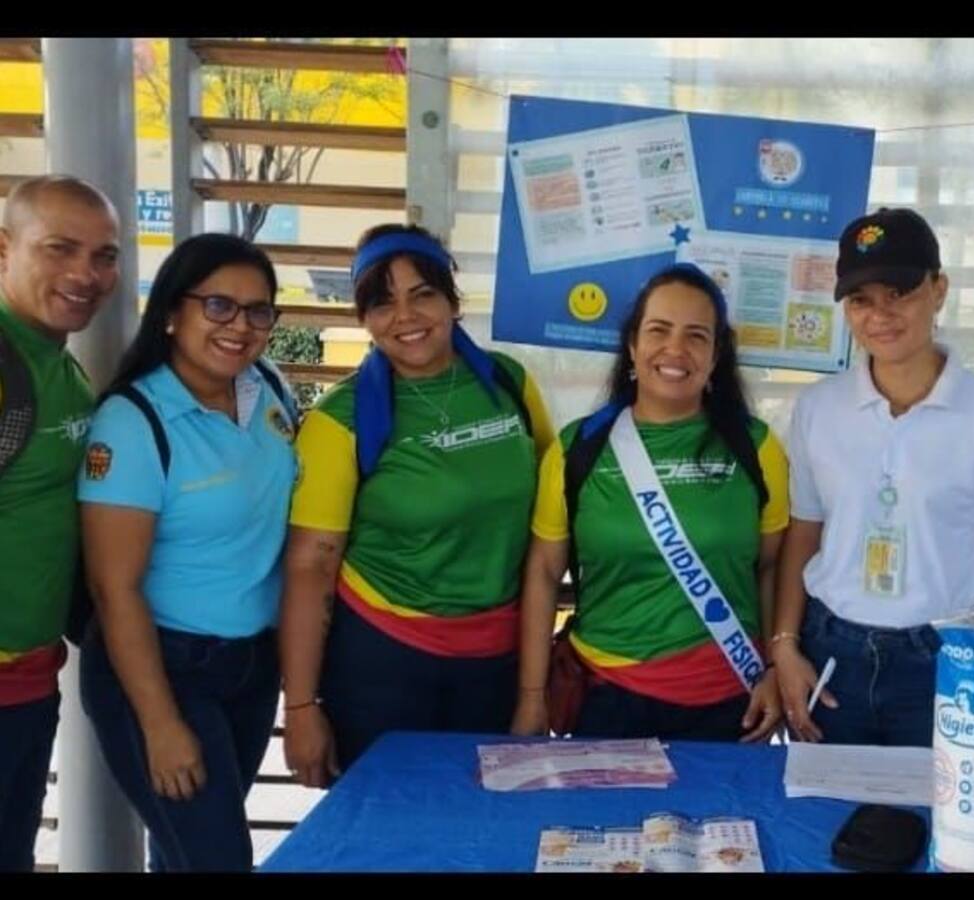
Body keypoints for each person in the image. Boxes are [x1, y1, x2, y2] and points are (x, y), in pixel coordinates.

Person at [281, 224, 554, 787]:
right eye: (382, 302)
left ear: (452, 301)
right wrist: (302, 707)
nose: (405, 316)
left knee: (481, 835)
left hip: (495, 661)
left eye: (422, 294)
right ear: (364, 318)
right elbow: (311, 568)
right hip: (384, 664)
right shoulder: (341, 420)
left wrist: (537, 682)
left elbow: (552, 522)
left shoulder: (509, 384)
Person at [773, 207, 974, 746]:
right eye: (862, 301)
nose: (881, 315)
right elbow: (804, 533)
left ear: (939, 290)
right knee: (827, 816)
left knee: (935, 819)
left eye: (900, 293)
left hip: (943, 656)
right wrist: (785, 646)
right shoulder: (819, 408)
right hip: (832, 654)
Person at [78, 233, 296, 871]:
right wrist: (160, 722)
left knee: (183, 856)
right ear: (173, 312)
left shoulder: (268, 391)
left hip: (252, 668)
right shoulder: (133, 420)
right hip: (163, 671)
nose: (241, 327)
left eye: (259, 311)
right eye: (219, 306)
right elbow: (112, 589)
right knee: (219, 860)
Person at [511, 263, 788, 742]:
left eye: (696, 336)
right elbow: (541, 573)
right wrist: (532, 696)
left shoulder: (756, 448)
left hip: (730, 703)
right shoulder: (578, 448)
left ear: (717, 354)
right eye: (658, 330)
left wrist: (771, 670)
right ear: (633, 346)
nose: (675, 350)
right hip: (608, 698)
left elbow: (770, 569)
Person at [0, 175, 120, 872]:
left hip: (31, 681)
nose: (85, 274)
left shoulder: (60, 366)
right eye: (60, 249)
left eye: (103, 256)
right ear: (6, 249)